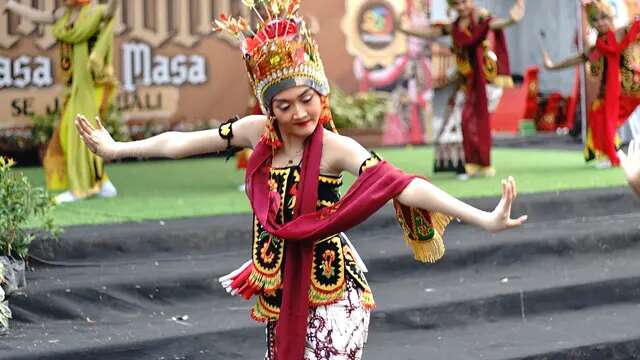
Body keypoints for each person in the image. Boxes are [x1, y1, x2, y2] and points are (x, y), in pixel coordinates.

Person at [74, 3, 527, 359]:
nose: (298, 114)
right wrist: (119, 150)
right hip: (280, 284)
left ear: (320, 94)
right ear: (269, 108)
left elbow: (404, 185)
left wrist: (483, 218)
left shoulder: (336, 148)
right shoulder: (256, 132)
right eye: (284, 105)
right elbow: (182, 142)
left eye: (306, 100)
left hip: (334, 289)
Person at [5, 0, 119, 203]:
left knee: (80, 133)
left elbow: (110, 11)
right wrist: (12, 5)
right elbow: (39, 17)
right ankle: (100, 181)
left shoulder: (96, 11)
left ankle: (81, 188)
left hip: (93, 85)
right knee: (72, 134)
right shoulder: (64, 15)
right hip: (75, 86)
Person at [400, 0, 525, 179]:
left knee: (471, 121)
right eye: (456, 4)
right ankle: (467, 164)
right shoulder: (455, 26)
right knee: (459, 121)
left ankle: (476, 163)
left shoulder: (480, 17)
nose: (461, 7)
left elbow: (495, 24)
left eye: (463, 2)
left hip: (485, 84)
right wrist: (405, 29)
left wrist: (512, 20)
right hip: (467, 83)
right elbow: (432, 33)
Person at [543, 0, 640, 169]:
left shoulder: (621, 32)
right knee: (598, 115)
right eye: (595, 19)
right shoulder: (599, 44)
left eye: (603, 17)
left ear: (610, 17)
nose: (600, 22)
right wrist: (552, 66)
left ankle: (613, 158)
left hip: (628, 85)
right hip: (610, 88)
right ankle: (608, 154)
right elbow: (579, 58)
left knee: (607, 119)